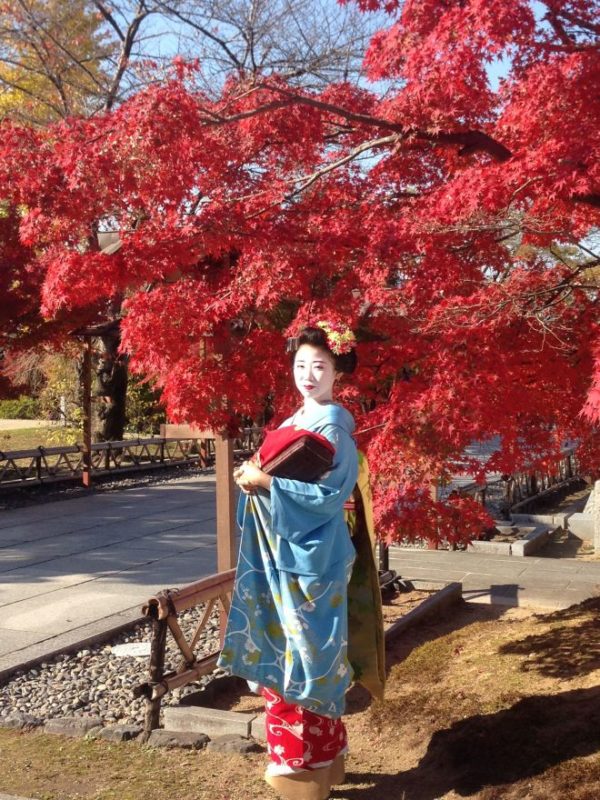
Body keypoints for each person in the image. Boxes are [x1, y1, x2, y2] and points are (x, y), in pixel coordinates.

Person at [218, 321, 362, 800]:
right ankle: (324, 761)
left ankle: (298, 770)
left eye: (319, 365)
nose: (308, 374)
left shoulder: (333, 423)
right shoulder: (300, 416)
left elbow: (327, 494)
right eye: (301, 364)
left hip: (310, 561)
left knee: (300, 661)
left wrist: (268, 483)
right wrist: (250, 476)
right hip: (288, 553)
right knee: (303, 655)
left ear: (337, 370)